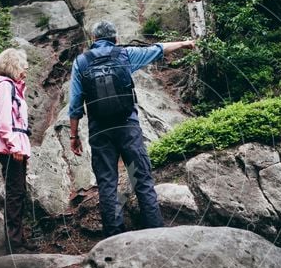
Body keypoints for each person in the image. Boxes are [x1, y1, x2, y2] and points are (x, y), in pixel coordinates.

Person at [69, 20, 195, 237]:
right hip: (128, 126)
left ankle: (114, 235)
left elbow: (75, 104)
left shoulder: (81, 62)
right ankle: (155, 231)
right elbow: (158, 49)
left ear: (94, 39)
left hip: (100, 131)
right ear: (115, 38)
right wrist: (184, 43)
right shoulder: (125, 54)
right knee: (141, 177)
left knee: (107, 182)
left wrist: (74, 136)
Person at [0, 47, 31, 252]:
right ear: (13, 66)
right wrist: (14, 146)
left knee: (19, 193)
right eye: (23, 65)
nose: (26, 69)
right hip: (11, 149)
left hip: (17, 148)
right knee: (15, 194)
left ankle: (18, 240)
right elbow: (4, 122)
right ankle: (14, 244)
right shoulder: (5, 87)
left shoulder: (13, 87)